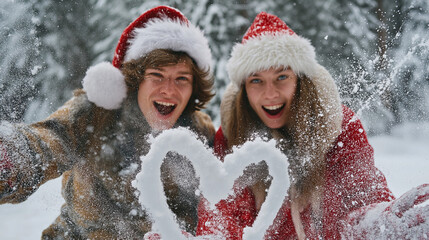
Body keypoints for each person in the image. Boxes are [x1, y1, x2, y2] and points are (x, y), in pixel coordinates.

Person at [196, 11, 429, 239]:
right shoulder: (231, 141)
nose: (270, 94)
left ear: (300, 79)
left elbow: (363, 197)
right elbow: (220, 220)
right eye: (256, 80)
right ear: (244, 89)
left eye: (282, 77)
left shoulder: (339, 127)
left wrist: (381, 223)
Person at [0, 6, 215, 239]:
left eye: (181, 78)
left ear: (194, 87)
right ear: (137, 80)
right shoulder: (97, 113)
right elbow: (50, 139)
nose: (168, 89)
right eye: (157, 75)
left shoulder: (200, 132)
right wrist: (11, 156)